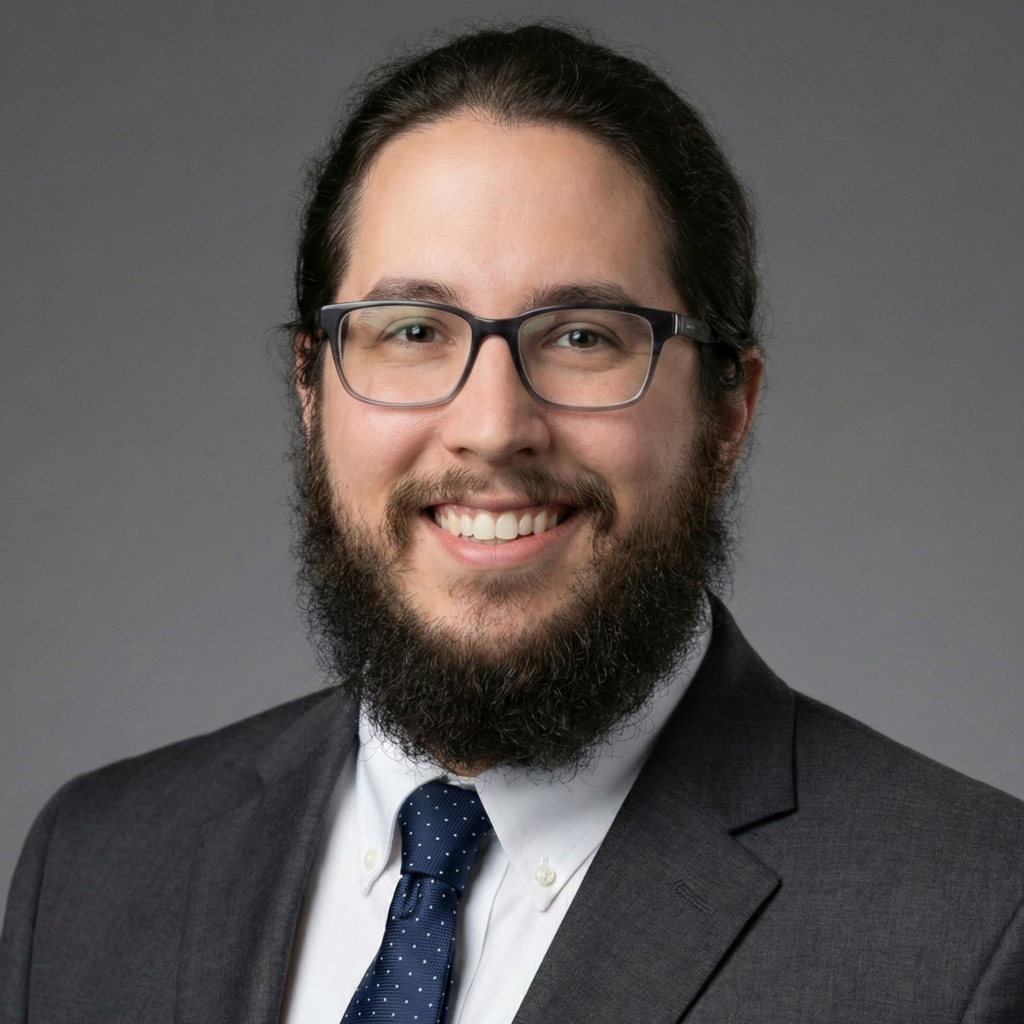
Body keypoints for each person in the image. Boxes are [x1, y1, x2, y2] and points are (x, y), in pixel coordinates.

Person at [2, 22, 1023, 1024]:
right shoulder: (92, 868)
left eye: (582, 336)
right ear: (310, 392)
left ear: (726, 412)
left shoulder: (971, 925)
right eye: (410, 331)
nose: (490, 429)